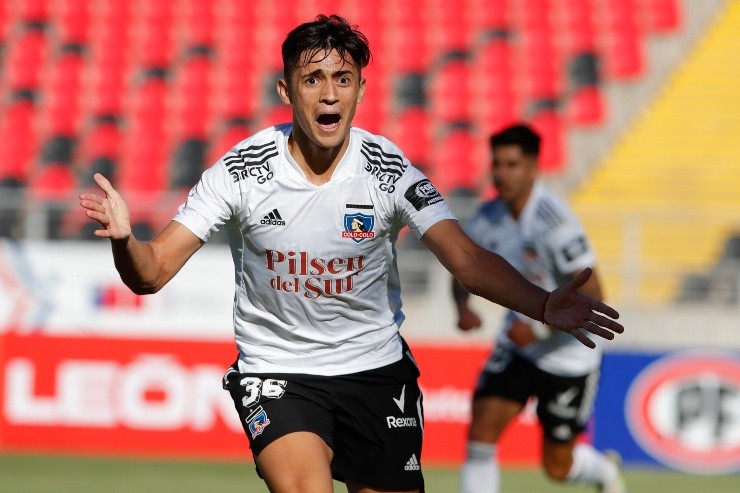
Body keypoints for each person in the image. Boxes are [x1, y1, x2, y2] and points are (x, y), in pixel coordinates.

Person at [80, 15, 623, 493]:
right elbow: (151, 272)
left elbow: (467, 259)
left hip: (375, 371)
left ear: (361, 90)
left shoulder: (389, 170)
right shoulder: (240, 171)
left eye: (343, 79)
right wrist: (127, 243)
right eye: (312, 79)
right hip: (279, 370)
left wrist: (541, 304)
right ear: (286, 90)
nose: (329, 94)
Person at [452, 124, 626, 493]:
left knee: (558, 468)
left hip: (569, 354)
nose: (502, 173)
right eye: (497, 164)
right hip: (518, 345)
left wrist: (537, 329)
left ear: (533, 167)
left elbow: (595, 294)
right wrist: (463, 307)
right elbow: (464, 265)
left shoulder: (555, 223)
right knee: (481, 432)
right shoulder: (486, 218)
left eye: (512, 164)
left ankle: (604, 472)